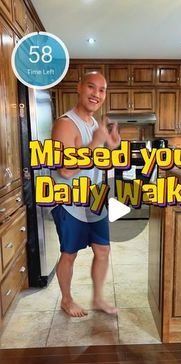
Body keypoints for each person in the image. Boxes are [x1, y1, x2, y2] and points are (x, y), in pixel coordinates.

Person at [51, 72, 120, 317]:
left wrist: (110, 147)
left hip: (92, 200)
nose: (96, 94)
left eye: (102, 90)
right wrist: (94, 144)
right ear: (79, 88)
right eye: (91, 87)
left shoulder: (94, 125)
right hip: (68, 201)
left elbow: (92, 164)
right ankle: (67, 300)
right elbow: (66, 169)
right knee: (69, 253)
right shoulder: (65, 124)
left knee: (102, 250)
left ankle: (98, 298)